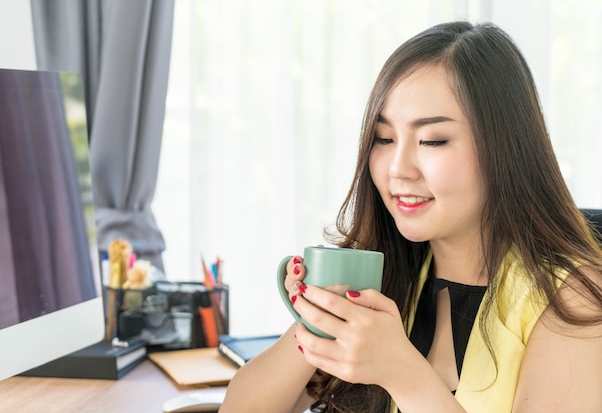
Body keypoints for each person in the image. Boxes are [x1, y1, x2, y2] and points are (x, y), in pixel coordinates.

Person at [219, 21, 602, 412]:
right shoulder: (386, 275)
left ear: (505, 148)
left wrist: (401, 372)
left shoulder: (572, 301)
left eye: (432, 140)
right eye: (384, 139)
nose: (397, 169)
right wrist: (318, 317)